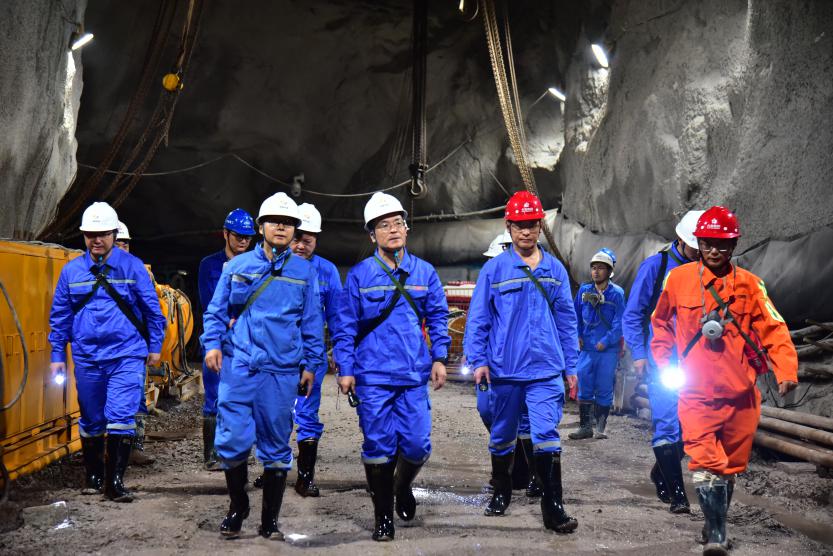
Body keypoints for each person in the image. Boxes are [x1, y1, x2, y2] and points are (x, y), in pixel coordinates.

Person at [651, 206, 798, 556]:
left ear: (733, 245)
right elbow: (660, 323)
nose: (714, 250)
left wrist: (786, 370)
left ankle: (712, 521)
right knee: (705, 462)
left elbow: (774, 328)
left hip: (740, 395)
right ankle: (718, 534)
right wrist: (662, 361)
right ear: (698, 243)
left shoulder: (750, 285)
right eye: (707, 243)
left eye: (722, 244)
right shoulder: (678, 279)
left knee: (729, 467)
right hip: (695, 392)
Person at [202, 192, 326, 540]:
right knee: (231, 440)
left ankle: (270, 521)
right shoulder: (237, 267)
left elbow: (311, 322)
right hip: (240, 366)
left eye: (288, 223)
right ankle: (238, 506)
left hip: (281, 371)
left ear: (294, 230)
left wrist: (311, 365)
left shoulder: (304, 272)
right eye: (275, 222)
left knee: (275, 445)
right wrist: (212, 344)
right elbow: (215, 311)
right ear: (261, 227)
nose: (281, 227)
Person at [332, 192, 450, 542]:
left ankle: (400, 486)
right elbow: (345, 326)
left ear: (406, 229)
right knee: (378, 446)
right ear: (372, 235)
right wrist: (346, 368)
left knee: (417, 446)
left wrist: (440, 357)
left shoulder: (424, 273)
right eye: (384, 225)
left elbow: (438, 317)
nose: (393, 229)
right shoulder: (360, 275)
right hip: (372, 377)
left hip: (412, 375)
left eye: (398, 223)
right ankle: (383, 518)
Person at [464, 190, 579, 533]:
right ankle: (502, 490)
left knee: (546, 434)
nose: (525, 231)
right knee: (502, 434)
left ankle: (553, 506)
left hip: (545, 369)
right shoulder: (494, 270)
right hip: (505, 370)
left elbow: (567, 321)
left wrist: (571, 367)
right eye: (519, 225)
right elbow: (479, 319)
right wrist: (479, 360)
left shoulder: (555, 270)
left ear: (540, 226)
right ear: (509, 226)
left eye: (531, 224)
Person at [48, 202, 167, 502]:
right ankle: (93, 476)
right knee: (91, 418)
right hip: (87, 357)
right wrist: (57, 357)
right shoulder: (71, 272)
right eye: (91, 235)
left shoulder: (132, 267)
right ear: (84, 236)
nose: (96, 240)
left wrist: (155, 347)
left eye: (102, 234)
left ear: (114, 234)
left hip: (126, 355)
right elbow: (60, 316)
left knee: (120, 416)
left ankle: (115, 482)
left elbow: (153, 312)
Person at [622, 210, 703, 514]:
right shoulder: (656, 268)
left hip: (699, 363)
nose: (702, 251)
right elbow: (633, 314)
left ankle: (660, 471)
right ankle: (678, 494)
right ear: (681, 239)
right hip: (663, 360)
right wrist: (639, 354)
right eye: (697, 245)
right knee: (668, 423)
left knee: (690, 427)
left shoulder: (710, 270)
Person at [476, 230, 540, 497]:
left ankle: (530, 475)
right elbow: (478, 322)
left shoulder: (533, 286)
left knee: (525, 420)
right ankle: (509, 468)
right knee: (488, 411)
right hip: (492, 363)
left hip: (521, 364)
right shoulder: (488, 283)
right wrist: (477, 356)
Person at [287, 202, 342, 497]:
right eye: (297, 238)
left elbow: (338, 318)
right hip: (276, 356)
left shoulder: (327, 271)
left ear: (316, 240)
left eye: (307, 240)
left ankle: (305, 478)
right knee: (274, 414)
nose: (300, 245)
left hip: (311, 356)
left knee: (307, 414)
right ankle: (274, 470)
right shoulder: (274, 266)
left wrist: (341, 355)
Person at [197, 208, 256, 471]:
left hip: (248, 342)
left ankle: (239, 450)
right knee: (214, 395)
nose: (243, 240)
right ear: (225, 234)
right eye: (238, 235)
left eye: (247, 236)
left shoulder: (257, 264)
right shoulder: (209, 265)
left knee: (245, 397)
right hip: (219, 339)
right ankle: (212, 453)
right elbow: (209, 302)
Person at [569, 248, 625, 440]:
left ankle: (600, 427)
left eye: (601, 268)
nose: (596, 271)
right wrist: (577, 335)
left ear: (610, 271)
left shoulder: (617, 294)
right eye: (594, 268)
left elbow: (620, 322)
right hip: (587, 348)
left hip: (607, 351)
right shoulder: (584, 291)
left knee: (603, 386)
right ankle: (585, 427)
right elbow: (575, 315)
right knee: (584, 383)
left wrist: (607, 340)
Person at [113, 220, 156, 466]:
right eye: (118, 243)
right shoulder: (93, 272)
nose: (122, 248)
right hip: (106, 349)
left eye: (125, 244)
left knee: (136, 396)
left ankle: (134, 447)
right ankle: (110, 449)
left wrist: (153, 345)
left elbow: (152, 311)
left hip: (133, 346)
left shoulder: (138, 273)